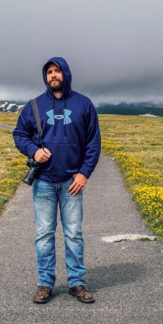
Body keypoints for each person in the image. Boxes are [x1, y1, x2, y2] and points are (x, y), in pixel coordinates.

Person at [13, 57, 101, 304]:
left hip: (72, 183)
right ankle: (45, 283)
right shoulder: (35, 106)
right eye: (49, 72)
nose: (53, 75)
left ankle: (76, 282)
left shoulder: (83, 104)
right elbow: (19, 134)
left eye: (57, 71)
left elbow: (93, 142)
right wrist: (33, 151)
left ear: (66, 74)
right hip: (43, 182)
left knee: (73, 233)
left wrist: (84, 173)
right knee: (44, 234)